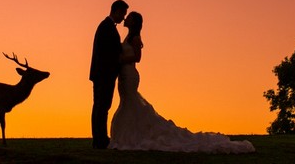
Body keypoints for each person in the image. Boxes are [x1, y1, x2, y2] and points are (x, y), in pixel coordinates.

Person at [109, 11, 256, 153]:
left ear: (133, 21)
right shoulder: (128, 36)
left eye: (128, 17)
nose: (125, 19)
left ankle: (130, 137)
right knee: (127, 103)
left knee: (130, 102)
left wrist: (120, 60)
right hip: (123, 76)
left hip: (130, 75)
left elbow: (137, 57)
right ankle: (131, 135)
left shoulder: (135, 38)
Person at [89, 0, 129, 149]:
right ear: (116, 11)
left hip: (103, 74)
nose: (123, 18)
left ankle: (100, 138)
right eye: (122, 14)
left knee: (101, 106)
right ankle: (100, 139)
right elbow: (108, 53)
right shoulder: (106, 27)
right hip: (103, 74)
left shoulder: (107, 27)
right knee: (101, 106)